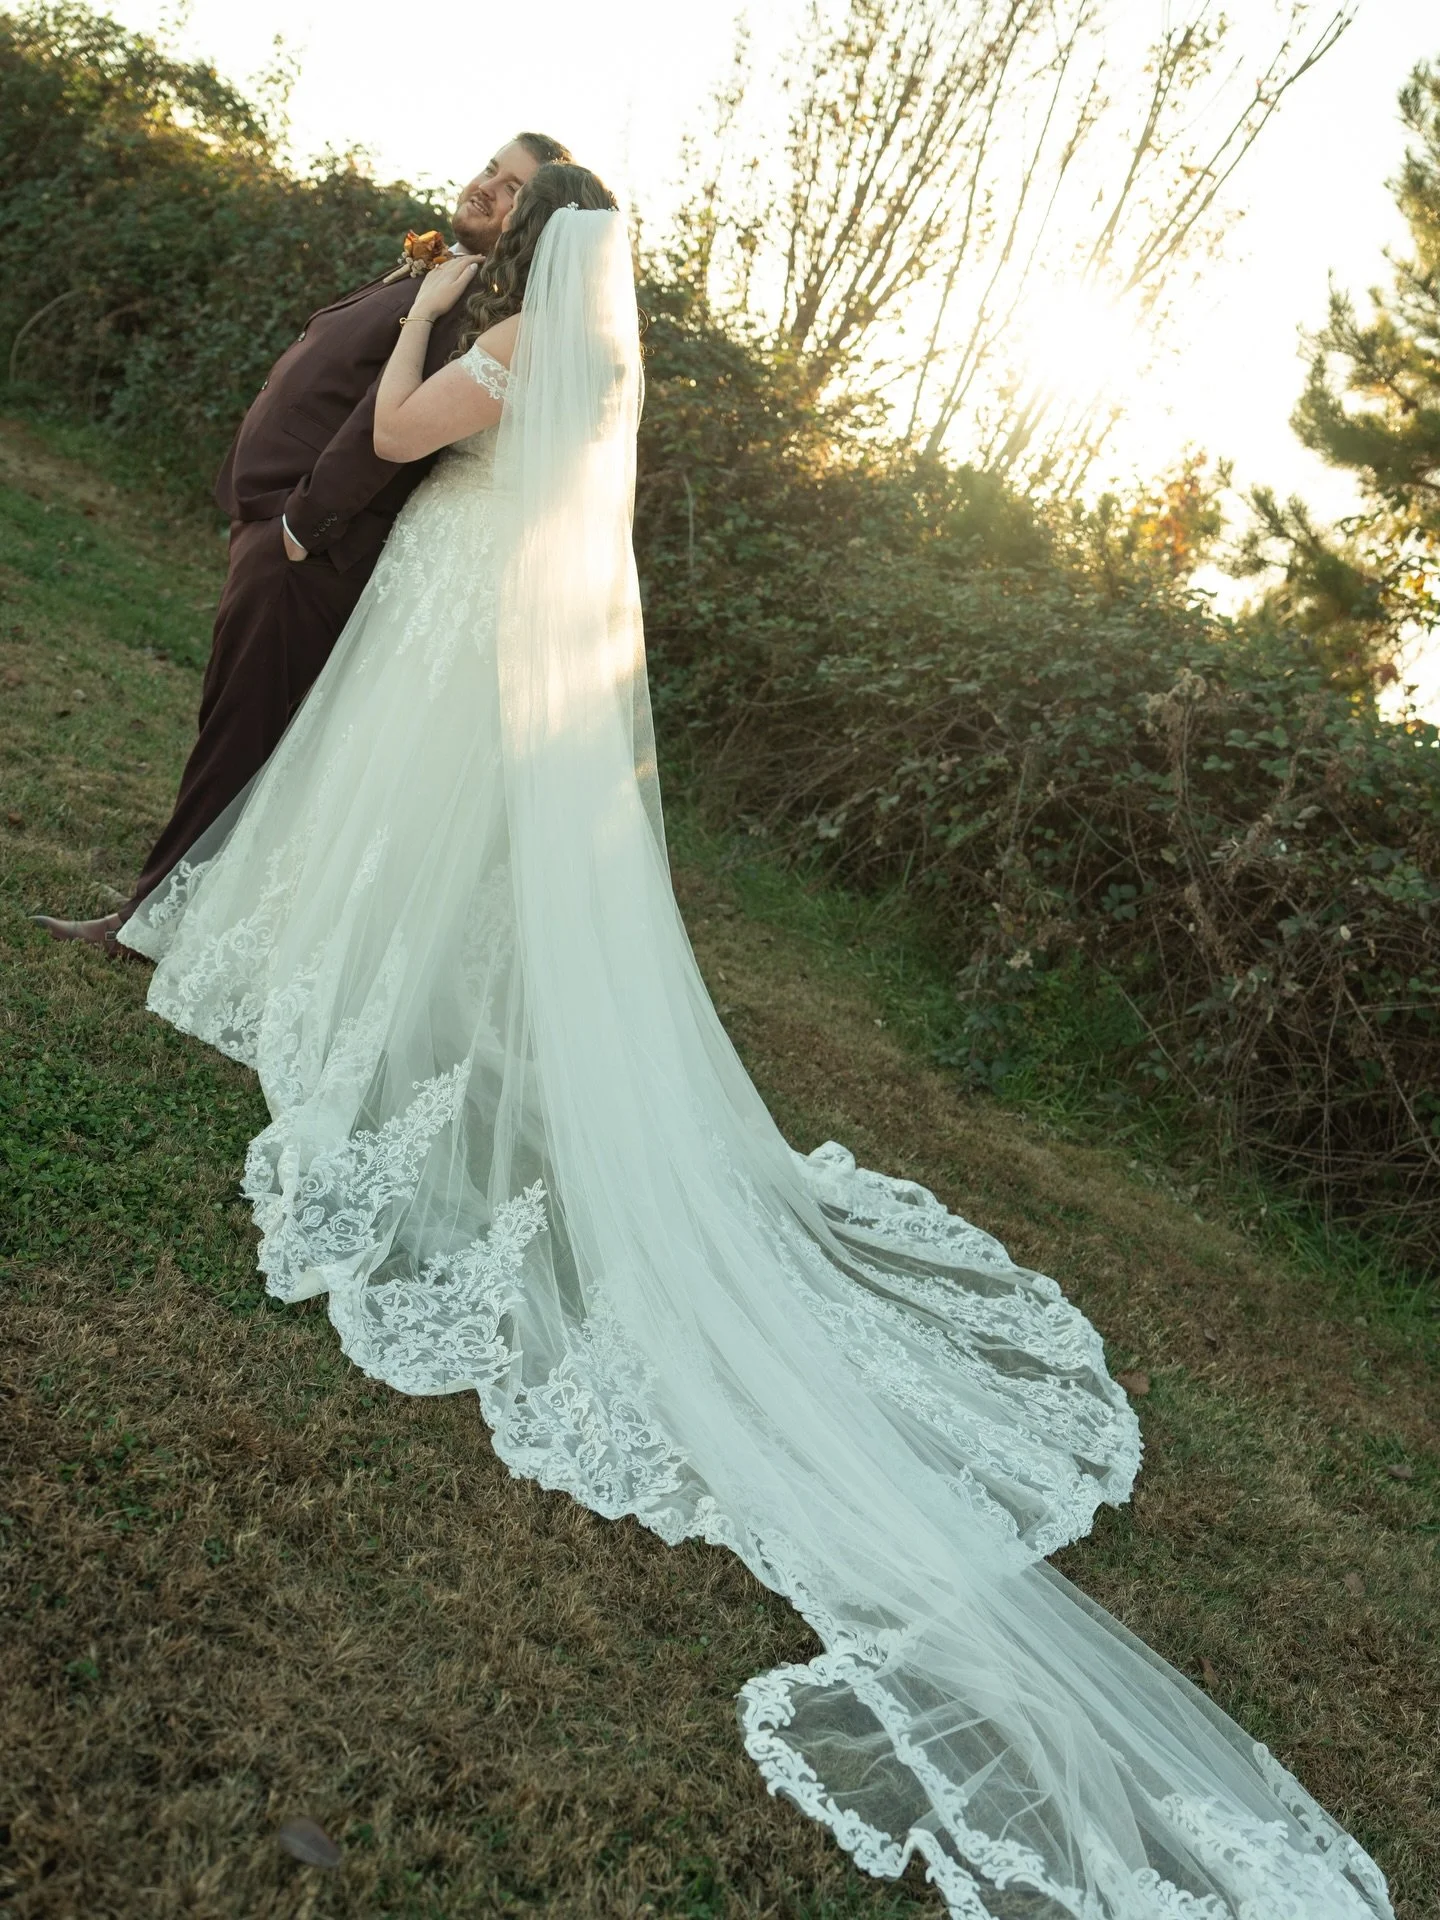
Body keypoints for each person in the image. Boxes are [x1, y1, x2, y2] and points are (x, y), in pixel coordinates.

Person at [114, 166, 1391, 1919]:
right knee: (437, 872)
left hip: (446, 631)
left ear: (549, 270)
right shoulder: (606, 382)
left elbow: (401, 430)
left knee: (400, 848)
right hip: (483, 634)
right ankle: (401, 1001)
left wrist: (420, 320)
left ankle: (353, 1001)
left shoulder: (507, 370)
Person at [32, 132, 572, 957]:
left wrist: (299, 527)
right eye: (489, 172)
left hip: (310, 550)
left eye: (513, 191)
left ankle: (142, 928)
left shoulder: (469, 305)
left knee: (239, 742)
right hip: (275, 525)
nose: (487, 190)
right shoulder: (443, 272)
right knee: (230, 726)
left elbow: (379, 432)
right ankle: (166, 902)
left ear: (531, 220)